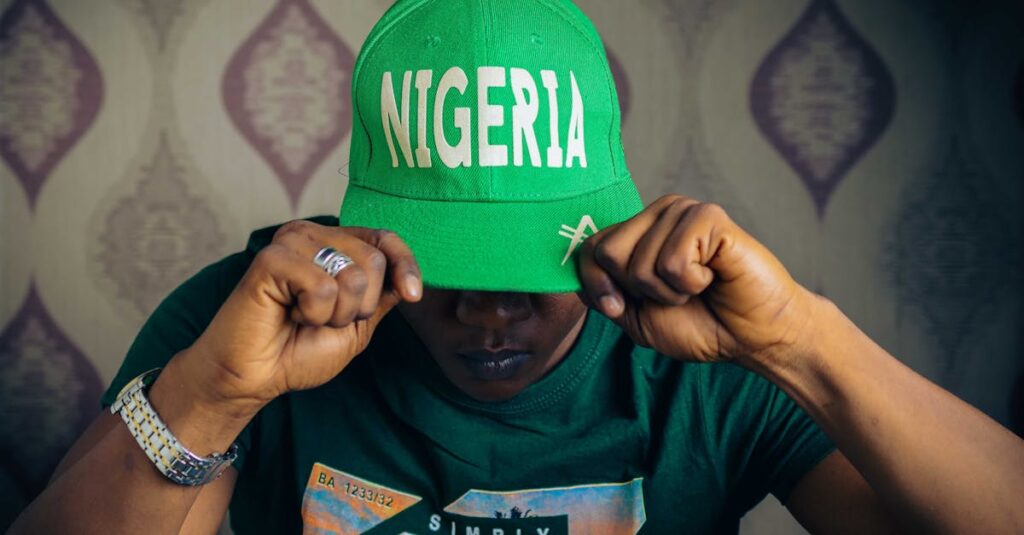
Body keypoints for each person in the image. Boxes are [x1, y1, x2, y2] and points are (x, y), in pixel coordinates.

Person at [11, 0, 1024, 533]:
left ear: (606, 233)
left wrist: (804, 340)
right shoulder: (258, 318)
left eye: (528, 259)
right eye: (448, 261)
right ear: (367, 229)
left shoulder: (705, 358)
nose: (487, 310)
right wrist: (211, 394)